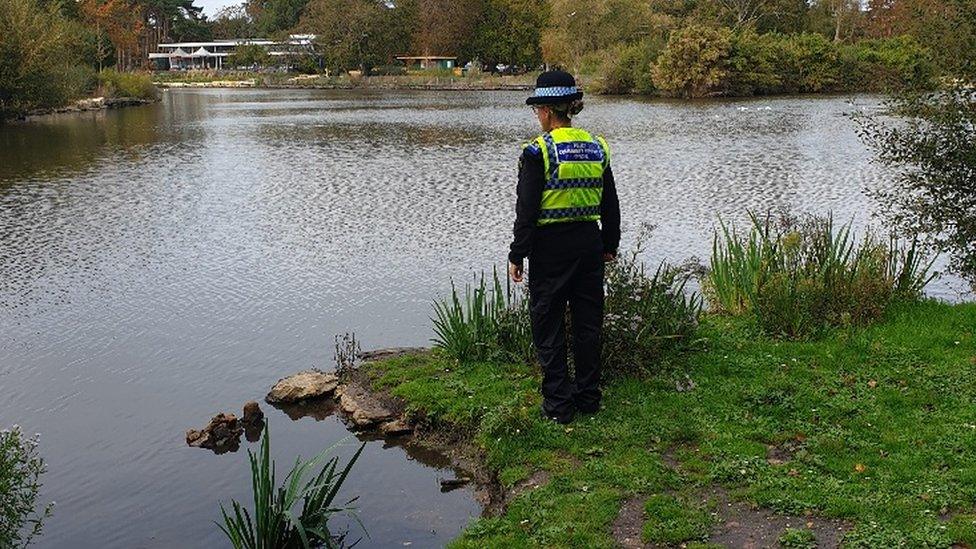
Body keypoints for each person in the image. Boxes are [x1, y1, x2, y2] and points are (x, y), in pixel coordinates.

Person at [508, 70, 621, 425]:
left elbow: (526, 211)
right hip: (589, 242)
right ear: (570, 107)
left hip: (550, 247)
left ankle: (558, 404)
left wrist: (517, 254)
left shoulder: (537, 151)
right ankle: (588, 397)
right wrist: (609, 243)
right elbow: (610, 203)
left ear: (545, 110)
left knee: (548, 323)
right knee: (588, 324)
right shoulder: (597, 145)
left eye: (537, 109)